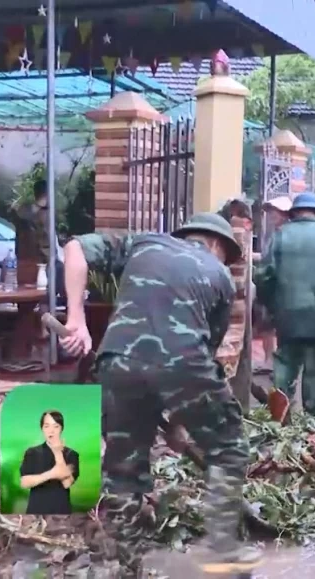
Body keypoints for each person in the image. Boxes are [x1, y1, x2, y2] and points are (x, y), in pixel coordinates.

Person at [58, 212, 259, 574]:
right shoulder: (221, 277)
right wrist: (188, 420)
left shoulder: (143, 243)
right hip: (183, 365)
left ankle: (128, 565)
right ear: (217, 245)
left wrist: (76, 317)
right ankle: (222, 548)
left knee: (123, 471)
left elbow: (74, 248)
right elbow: (203, 358)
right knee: (229, 449)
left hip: (118, 361)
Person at [254, 192, 315, 416]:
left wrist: (272, 303)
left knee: (285, 365)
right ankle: (313, 423)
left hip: (287, 317)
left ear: (294, 212)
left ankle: (279, 415)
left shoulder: (279, 235)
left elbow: (263, 276)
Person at [255, 196, 293, 371]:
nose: (271, 215)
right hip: (269, 285)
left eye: (274, 212)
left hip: (281, 285)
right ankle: (268, 359)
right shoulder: (273, 233)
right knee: (266, 324)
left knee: (281, 325)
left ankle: (280, 362)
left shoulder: (287, 234)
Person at [18, 410, 79, 515]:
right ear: (42, 429)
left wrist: (57, 453)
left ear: (61, 429)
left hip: (61, 510)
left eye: (56, 426)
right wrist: (52, 474)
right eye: (47, 426)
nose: (51, 431)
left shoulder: (71, 454)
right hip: (36, 510)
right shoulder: (32, 452)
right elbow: (24, 482)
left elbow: (67, 483)